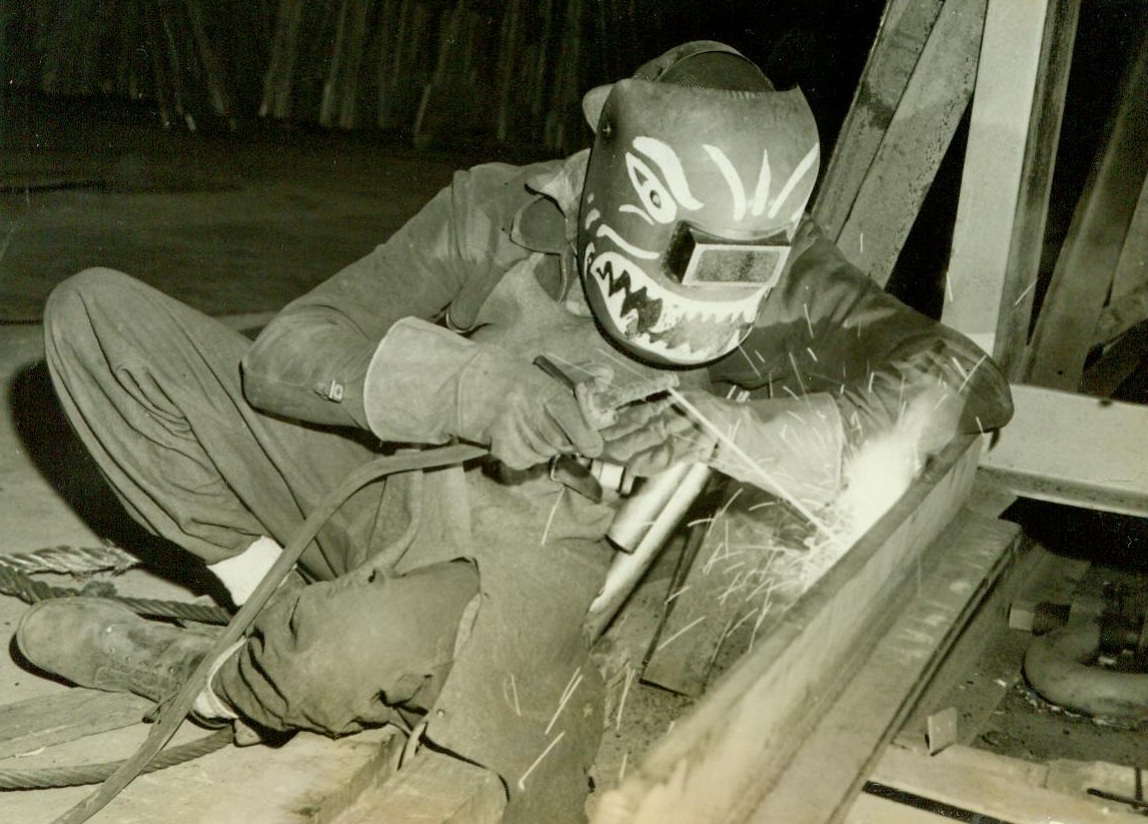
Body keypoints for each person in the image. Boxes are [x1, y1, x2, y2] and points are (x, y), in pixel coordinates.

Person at [14, 41, 1012, 823]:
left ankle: (210, 678)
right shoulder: (499, 207)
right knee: (93, 316)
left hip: (527, 569)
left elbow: (960, 381)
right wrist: (477, 388)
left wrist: (727, 425)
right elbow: (289, 350)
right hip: (397, 481)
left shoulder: (780, 258)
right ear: (619, 191)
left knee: (330, 658)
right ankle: (257, 588)